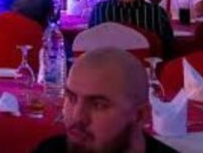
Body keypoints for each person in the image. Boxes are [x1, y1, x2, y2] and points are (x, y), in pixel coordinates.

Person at [32, 48, 177, 153]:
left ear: (139, 115)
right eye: (72, 98)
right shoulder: (51, 149)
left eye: (98, 105)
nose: (77, 116)